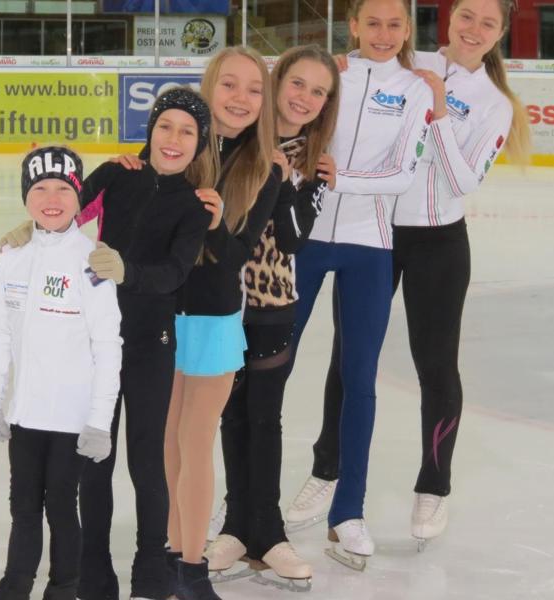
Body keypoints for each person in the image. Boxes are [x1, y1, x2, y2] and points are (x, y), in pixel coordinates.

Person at [288, 0, 532, 552]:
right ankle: (326, 471)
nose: (473, 30)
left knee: (436, 364)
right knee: (348, 358)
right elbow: (351, 75)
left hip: (438, 242)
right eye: (466, 16)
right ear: (449, 19)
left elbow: (462, 180)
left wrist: (440, 111)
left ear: (499, 35)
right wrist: (337, 66)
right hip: (373, 233)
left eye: (487, 24)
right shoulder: (405, 58)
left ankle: (434, 482)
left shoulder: (496, 104)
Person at [0, 88, 217, 600]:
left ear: (200, 143)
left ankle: (150, 574)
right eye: (165, 126)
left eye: (187, 131)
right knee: (93, 459)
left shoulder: (193, 205)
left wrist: (129, 271)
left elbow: (176, 272)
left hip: (149, 341)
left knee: (146, 462)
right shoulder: (117, 174)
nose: (173, 139)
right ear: (150, 130)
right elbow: (63, 211)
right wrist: (26, 235)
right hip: (93, 341)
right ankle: (96, 574)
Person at [281, 0, 433, 571]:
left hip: (371, 247)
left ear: (407, 30)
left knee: (360, 380)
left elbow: (404, 174)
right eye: (373, 23)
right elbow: (283, 128)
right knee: (268, 367)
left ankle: (348, 512)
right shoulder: (329, 76)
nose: (385, 34)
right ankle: (243, 505)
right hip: (303, 238)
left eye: (396, 24)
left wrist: (345, 177)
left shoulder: (415, 90)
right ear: (352, 26)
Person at [203, 44, 339, 591]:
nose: (304, 98)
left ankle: (270, 533)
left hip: (272, 302)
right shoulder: (232, 137)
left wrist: (296, 181)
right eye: (297, 84)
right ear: (275, 83)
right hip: (215, 301)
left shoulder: (311, 158)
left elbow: (293, 238)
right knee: (229, 415)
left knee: (264, 417)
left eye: (319, 91)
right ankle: (238, 527)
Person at [0, 145, 123, 600]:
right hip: (26, 414)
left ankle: (64, 586)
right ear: (26, 196)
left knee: (62, 506)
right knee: (23, 505)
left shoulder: (92, 261)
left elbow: (108, 346)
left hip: (72, 417)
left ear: (80, 196)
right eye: (39, 187)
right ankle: (16, 580)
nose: (51, 197)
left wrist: (100, 420)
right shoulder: (12, 255)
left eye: (63, 187)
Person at [164, 46, 280, 600]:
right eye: (229, 85)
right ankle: (168, 552)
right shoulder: (177, 143)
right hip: (160, 313)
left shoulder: (265, 169)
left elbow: (235, 258)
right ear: (210, 88)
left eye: (254, 89)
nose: (240, 98)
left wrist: (212, 223)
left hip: (212, 319)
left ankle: (191, 569)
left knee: (195, 439)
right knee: (167, 441)